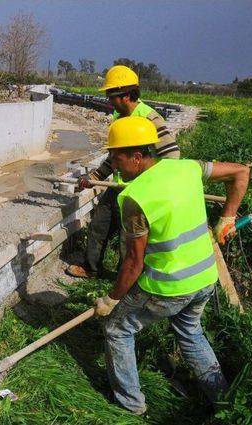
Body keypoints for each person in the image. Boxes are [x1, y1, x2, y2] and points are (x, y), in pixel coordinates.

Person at [93, 116, 250, 415]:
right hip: (204, 278)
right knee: (190, 333)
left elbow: (134, 263)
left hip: (169, 286)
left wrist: (111, 299)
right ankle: (225, 401)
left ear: (137, 157)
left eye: (116, 156)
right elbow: (241, 172)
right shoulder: (187, 167)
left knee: (116, 329)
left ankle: (130, 405)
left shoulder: (135, 198)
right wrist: (227, 216)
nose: (113, 163)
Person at [67, 65, 179, 279]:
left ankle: (124, 280)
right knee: (99, 224)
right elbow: (115, 158)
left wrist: (150, 184)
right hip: (119, 185)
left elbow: (172, 157)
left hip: (140, 191)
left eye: (112, 95)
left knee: (128, 239)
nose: (109, 101)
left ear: (126, 95)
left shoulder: (150, 119)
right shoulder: (119, 118)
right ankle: (91, 268)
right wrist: (95, 177)